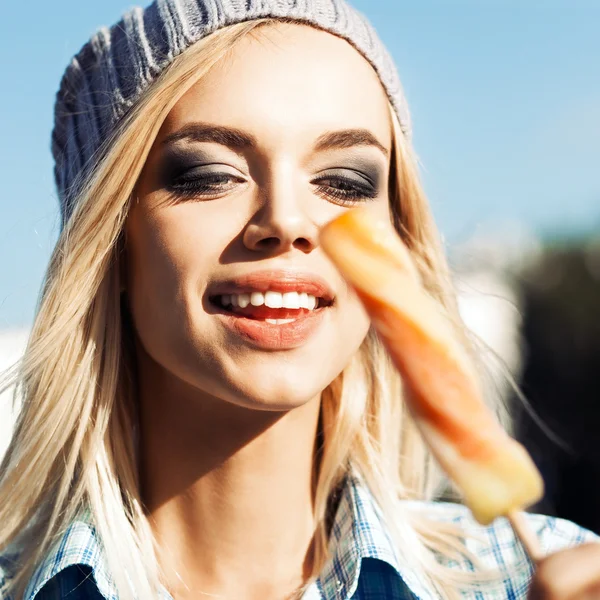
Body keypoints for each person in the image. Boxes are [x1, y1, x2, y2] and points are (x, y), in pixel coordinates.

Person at [0, 1, 598, 598]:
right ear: (112, 240)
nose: (287, 220)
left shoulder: (535, 575)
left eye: (345, 181)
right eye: (210, 173)